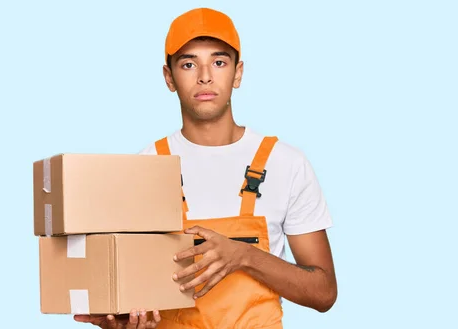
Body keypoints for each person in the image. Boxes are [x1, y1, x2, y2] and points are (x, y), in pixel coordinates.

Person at [74, 7, 337, 329]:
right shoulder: (143, 167)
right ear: (169, 77)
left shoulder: (286, 163)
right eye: (188, 63)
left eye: (219, 61)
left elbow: (323, 294)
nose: (205, 76)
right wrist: (122, 322)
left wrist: (244, 256)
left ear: (238, 73)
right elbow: (128, 287)